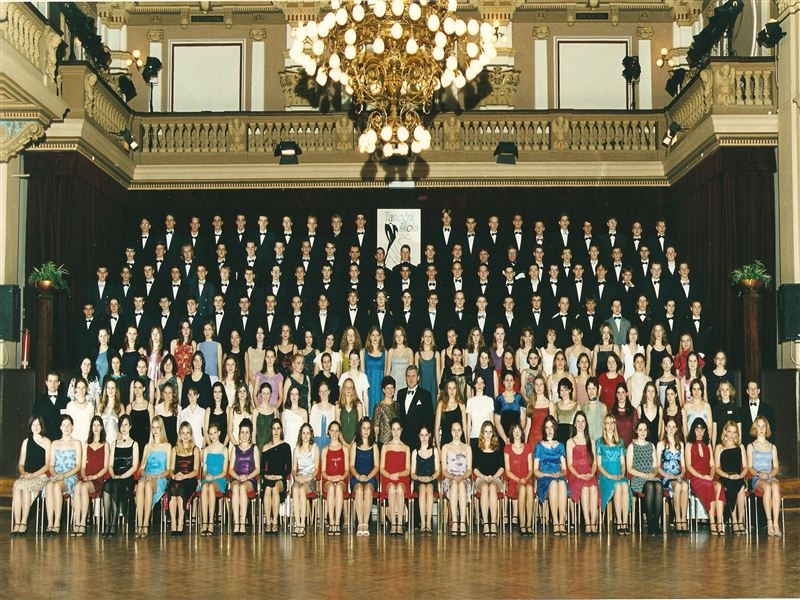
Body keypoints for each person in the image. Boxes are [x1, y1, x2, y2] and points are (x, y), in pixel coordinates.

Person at [10, 416, 51, 536]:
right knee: (17, 486)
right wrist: (24, 473)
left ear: (41, 426)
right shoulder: (26, 442)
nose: (36, 427)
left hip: (40, 476)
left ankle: (24, 522)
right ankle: (17, 522)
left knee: (26, 488)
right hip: (27, 475)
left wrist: (34, 475)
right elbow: (21, 463)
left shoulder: (47, 442)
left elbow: (47, 465)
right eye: (33, 425)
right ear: (30, 426)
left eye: (38, 425)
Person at [42, 414, 82, 536]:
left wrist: (63, 476)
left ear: (72, 427)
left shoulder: (77, 443)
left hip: (69, 475)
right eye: (64, 425)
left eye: (69, 425)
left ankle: (57, 523)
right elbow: (51, 465)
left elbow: (78, 466)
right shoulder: (55, 443)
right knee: (49, 485)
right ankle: (50, 524)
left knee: (56, 486)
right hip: (56, 474)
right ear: (60, 427)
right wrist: (55, 474)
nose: (66, 428)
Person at [685, 417, 725, 535]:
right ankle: (712, 521)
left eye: (702, 429)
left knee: (719, 486)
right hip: (696, 477)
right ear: (693, 430)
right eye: (697, 429)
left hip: (708, 476)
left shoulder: (708, 444)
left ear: (705, 430)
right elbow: (689, 466)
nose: (699, 432)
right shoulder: (689, 445)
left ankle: (720, 522)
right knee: (709, 485)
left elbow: (712, 465)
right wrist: (703, 477)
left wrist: (711, 475)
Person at [71, 416, 109, 536]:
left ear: (101, 427)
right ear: (91, 427)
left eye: (98, 425)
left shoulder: (105, 444)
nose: (96, 428)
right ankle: (77, 523)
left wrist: (94, 476)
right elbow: (82, 466)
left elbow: (106, 467)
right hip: (86, 477)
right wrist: (84, 475)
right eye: (94, 425)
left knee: (83, 487)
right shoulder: (86, 444)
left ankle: (83, 523)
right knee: (77, 486)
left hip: (97, 479)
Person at [102, 414, 139, 537]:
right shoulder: (114, 443)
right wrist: (113, 474)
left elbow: (134, 467)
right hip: (115, 476)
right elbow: (110, 465)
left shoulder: (134, 444)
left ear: (130, 426)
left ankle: (113, 525)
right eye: (121, 425)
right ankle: (107, 523)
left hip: (127, 478)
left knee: (115, 485)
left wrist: (122, 476)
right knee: (106, 486)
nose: (123, 428)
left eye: (126, 425)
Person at [134, 416, 170, 537]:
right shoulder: (147, 446)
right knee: (140, 484)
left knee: (148, 485)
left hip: (160, 478)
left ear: (161, 429)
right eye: (153, 427)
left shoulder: (167, 446)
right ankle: (139, 524)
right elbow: (141, 469)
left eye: (157, 427)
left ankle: (145, 524)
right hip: (147, 476)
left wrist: (157, 476)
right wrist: (146, 475)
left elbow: (169, 470)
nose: (155, 430)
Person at [747, 415, 782, 536]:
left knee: (775, 486)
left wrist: (769, 474)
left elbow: (776, 467)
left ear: (767, 428)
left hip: (770, 476)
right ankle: (769, 522)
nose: (761, 429)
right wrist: (759, 474)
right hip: (757, 477)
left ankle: (776, 523)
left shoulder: (772, 447)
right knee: (767, 487)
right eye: (759, 426)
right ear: (755, 428)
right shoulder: (750, 446)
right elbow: (749, 467)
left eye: (763, 426)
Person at [627, 418, 663, 535]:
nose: (643, 432)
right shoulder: (632, 446)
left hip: (651, 476)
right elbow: (629, 468)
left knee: (658, 486)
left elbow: (655, 466)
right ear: (636, 431)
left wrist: (653, 473)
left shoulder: (651, 446)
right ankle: (650, 523)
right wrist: (645, 476)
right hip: (638, 477)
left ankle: (656, 522)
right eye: (640, 430)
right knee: (650, 486)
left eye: (645, 430)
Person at [534, 416, 568, 536]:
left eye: (551, 427)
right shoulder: (539, 446)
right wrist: (547, 474)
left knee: (562, 483)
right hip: (545, 477)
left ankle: (562, 522)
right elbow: (535, 470)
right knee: (553, 483)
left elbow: (565, 469)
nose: (549, 430)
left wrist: (560, 473)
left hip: (558, 476)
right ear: (544, 429)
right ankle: (555, 522)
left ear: (555, 428)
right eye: (547, 427)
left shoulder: (561, 446)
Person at [596, 414, 630, 535]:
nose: (610, 425)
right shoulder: (599, 442)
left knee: (624, 485)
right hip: (606, 475)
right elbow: (599, 465)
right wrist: (610, 476)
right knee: (617, 486)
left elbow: (623, 463)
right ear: (604, 426)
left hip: (618, 473)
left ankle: (625, 522)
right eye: (607, 423)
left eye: (612, 423)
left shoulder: (620, 442)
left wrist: (622, 473)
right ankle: (619, 522)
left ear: (615, 425)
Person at [567, 411, 600, 535]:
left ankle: (593, 523)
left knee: (593, 488)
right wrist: (579, 475)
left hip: (589, 473)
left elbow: (595, 463)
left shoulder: (591, 441)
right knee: (585, 489)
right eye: (578, 421)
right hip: (576, 475)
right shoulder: (570, 442)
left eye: (583, 421)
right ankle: (587, 523)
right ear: (575, 424)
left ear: (586, 423)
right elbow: (569, 464)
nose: (580, 424)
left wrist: (592, 473)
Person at [714, 420, 748, 535]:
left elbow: (746, 467)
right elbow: (717, 468)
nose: (732, 435)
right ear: (725, 432)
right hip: (725, 476)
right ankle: (734, 521)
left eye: (734, 432)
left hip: (738, 476)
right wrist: (728, 476)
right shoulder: (720, 447)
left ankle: (740, 521)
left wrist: (740, 476)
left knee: (741, 486)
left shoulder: (741, 447)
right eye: (730, 431)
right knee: (731, 486)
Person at [167, 421, 200, 536]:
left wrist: (184, 476)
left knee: (181, 489)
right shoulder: (174, 449)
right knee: (172, 488)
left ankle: (181, 522)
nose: (185, 436)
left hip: (189, 479)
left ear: (191, 434)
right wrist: (173, 476)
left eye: (187, 433)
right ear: (179, 435)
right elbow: (171, 469)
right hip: (176, 478)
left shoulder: (195, 449)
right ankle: (173, 522)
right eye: (183, 433)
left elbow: (196, 471)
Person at [473, 420, 505, 536]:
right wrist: (483, 477)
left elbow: (502, 467)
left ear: (493, 433)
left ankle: (493, 523)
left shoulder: (498, 448)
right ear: (482, 432)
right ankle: (486, 523)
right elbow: (474, 468)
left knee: (491, 487)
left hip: (495, 478)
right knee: (485, 488)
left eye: (490, 432)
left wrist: (493, 477)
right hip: (481, 478)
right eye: (486, 431)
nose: (488, 434)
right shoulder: (477, 448)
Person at [228, 418, 260, 535]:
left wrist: (247, 477)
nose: (244, 435)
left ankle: (242, 523)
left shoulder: (254, 448)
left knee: (242, 488)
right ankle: (236, 523)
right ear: (239, 433)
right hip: (236, 478)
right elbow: (230, 469)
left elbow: (258, 469)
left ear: (250, 434)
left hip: (250, 479)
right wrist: (238, 477)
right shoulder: (234, 449)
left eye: (247, 432)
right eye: (242, 432)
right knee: (237, 487)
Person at [380, 418, 411, 535]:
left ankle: (400, 523)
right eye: (394, 429)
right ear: (390, 430)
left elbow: (408, 470)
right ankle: (393, 523)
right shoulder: (385, 447)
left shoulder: (406, 448)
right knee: (392, 489)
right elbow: (381, 468)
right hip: (388, 478)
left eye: (398, 429)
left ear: (401, 430)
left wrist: (398, 474)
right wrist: (390, 476)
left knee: (400, 489)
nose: (396, 432)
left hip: (401, 478)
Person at [658, 416, 689, 534]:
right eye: (669, 427)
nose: (671, 429)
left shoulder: (680, 444)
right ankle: (677, 519)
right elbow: (657, 467)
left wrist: (681, 474)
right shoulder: (661, 444)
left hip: (678, 475)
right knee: (678, 486)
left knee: (684, 486)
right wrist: (667, 475)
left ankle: (683, 519)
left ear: (676, 429)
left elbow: (684, 466)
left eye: (673, 427)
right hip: (666, 476)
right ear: (665, 428)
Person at [441, 420, 472, 537]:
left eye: (458, 430)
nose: (456, 432)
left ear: (462, 432)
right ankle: (454, 521)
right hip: (449, 478)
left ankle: (462, 522)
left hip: (464, 478)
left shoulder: (467, 447)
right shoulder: (445, 447)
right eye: (454, 430)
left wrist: (462, 477)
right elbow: (444, 470)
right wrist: (453, 477)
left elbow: (469, 470)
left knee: (462, 485)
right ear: (451, 432)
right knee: (454, 484)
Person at [260, 419, 292, 535]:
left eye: (278, 428)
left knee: (274, 488)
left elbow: (289, 468)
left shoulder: (286, 446)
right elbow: (262, 469)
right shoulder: (265, 447)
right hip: (268, 478)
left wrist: (279, 476)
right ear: (270, 430)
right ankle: (268, 523)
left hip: (280, 479)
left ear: (281, 430)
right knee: (268, 489)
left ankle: (275, 522)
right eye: (274, 428)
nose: (276, 431)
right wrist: (267, 476)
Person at [351, 417, 380, 536]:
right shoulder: (354, 445)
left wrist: (368, 477)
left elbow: (377, 466)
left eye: (368, 428)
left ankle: (366, 523)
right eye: (364, 428)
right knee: (359, 490)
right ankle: (360, 523)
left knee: (367, 491)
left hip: (370, 477)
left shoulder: (374, 445)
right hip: (356, 477)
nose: (366, 431)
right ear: (360, 429)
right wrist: (358, 476)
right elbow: (351, 466)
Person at [198, 421, 228, 536]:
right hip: (208, 478)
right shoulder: (206, 450)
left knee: (210, 487)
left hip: (219, 479)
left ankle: (211, 522)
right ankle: (204, 522)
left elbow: (224, 472)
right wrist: (206, 475)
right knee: (205, 486)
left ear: (219, 433)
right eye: (210, 434)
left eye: (215, 433)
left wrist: (214, 477)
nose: (213, 436)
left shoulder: (224, 449)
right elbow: (204, 470)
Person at [504, 423, 534, 536]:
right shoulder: (507, 448)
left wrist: (525, 478)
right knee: (522, 489)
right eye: (514, 430)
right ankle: (522, 524)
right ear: (511, 433)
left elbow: (531, 469)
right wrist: (519, 479)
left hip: (526, 479)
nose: (516, 432)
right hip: (514, 481)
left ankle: (529, 524)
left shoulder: (527, 447)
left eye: (519, 430)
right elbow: (507, 471)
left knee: (529, 489)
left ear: (522, 432)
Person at [291, 423, 319, 537]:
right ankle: (297, 523)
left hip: (310, 478)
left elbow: (316, 468)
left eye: (308, 433)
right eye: (304, 433)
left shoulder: (315, 448)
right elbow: (294, 469)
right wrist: (296, 477)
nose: (306, 435)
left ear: (311, 434)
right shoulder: (296, 449)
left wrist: (309, 477)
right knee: (295, 490)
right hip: (299, 477)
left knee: (302, 490)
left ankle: (302, 523)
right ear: (300, 434)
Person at [410, 425, 439, 536]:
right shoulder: (415, 452)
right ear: (419, 436)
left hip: (432, 479)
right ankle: (423, 523)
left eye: (426, 435)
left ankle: (429, 523)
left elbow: (438, 471)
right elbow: (412, 474)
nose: (424, 437)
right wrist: (420, 478)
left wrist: (430, 478)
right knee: (422, 488)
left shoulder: (434, 450)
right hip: (419, 480)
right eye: (422, 435)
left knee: (429, 488)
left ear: (430, 435)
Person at [321, 420, 349, 535]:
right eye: (332, 430)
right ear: (328, 431)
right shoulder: (325, 450)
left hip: (341, 480)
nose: (334, 433)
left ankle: (337, 522)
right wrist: (330, 478)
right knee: (332, 488)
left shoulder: (344, 449)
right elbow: (323, 472)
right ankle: (331, 522)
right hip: (328, 480)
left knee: (338, 488)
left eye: (337, 431)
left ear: (339, 432)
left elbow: (347, 470)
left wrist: (341, 477)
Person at [396, 365, 434, 448]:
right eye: (408, 376)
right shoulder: (400, 393)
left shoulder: (425, 395)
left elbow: (429, 419)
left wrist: (428, 439)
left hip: (418, 440)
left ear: (418, 377)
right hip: (402, 440)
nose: (411, 379)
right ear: (405, 378)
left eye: (413, 376)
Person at [33, 371, 69, 442]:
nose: (53, 384)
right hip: (44, 439)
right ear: (46, 383)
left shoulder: (66, 401)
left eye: (55, 381)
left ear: (59, 383)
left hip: (61, 440)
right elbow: (35, 420)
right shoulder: (39, 400)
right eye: (50, 381)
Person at [434, 378, 468, 448]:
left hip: (459, 443)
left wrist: (466, 445)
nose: (452, 391)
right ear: (446, 390)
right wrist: (439, 449)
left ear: (457, 389)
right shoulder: (441, 404)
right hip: (445, 443)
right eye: (449, 388)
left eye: (454, 388)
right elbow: (436, 428)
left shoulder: (461, 404)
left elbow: (464, 428)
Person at [494, 372, 527, 445]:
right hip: (503, 438)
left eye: (511, 380)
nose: (509, 383)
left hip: (517, 437)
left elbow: (523, 420)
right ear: (503, 382)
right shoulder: (499, 399)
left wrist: (516, 435)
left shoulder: (519, 398)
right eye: (507, 380)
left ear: (514, 382)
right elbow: (497, 422)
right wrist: (505, 439)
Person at [65, 377, 96, 444]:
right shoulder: (70, 405)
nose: (81, 390)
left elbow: (92, 425)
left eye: (83, 387)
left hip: (87, 441)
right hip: (73, 441)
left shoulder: (90, 406)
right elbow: (67, 424)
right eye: (79, 388)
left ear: (86, 389)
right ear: (75, 389)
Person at [364, 327, 387, 417]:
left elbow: (386, 373)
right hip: (368, 387)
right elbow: (362, 372)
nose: (375, 337)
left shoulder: (385, 352)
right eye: (373, 335)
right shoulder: (363, 352)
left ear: (380, 337)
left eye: (377, 335)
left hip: (380, 388)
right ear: (369, 337)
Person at [416, 328, 441, 405]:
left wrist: (439, 391)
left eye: (430, 336)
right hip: (421, 387)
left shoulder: (436, 354)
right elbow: (416, 375)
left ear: (432, 338)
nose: (427, 338)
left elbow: (438, 374)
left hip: (433, 387)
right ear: (422, 338)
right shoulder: (417, 354)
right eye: (425, 336)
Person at [179, 384, 206, 449]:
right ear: (187, 396)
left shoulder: (202, 411)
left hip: (198, 444)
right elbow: (179, 431)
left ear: (198, 396)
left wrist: (203, 446)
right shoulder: (183, 412)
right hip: (186, 446)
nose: (192, 397)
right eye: (190, 395)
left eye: (194, 394)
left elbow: (205, 431)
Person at [373, 376, 398, 445]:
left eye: (392, 388)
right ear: (384, 390)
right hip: (383, 444)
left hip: (396, 443)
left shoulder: (397, 405)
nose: (390, 390)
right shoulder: (379, 406)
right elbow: (376, 429)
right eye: (387, 388)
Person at [554, 378, 578, 444]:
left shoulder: (577, 406)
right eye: (561, 390)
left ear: (570, 390)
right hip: (559, 439)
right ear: (559, 391)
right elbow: (554, 426)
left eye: (566, 390)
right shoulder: (555, 406)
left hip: (572, 438)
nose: (564, 393)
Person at [612, 383, 637, 447]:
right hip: (615, 447)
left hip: (629, 447)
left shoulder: (633, 411)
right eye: (618, 392)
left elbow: (636, 430)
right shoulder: (611, 411)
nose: (621, 395)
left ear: (627, 394)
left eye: (623, 392)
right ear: (616, 395)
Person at [204, 381, 229, 446]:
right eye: (215, 392)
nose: (217, 394)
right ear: (212, 394)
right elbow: (205, 432)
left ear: (222, 393)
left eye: (219, 392)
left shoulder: (227, 409)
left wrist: (223, 447)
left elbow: (229, 431)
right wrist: (211, 447)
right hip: (210, 446)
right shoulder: (208, 410)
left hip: (224, 446)